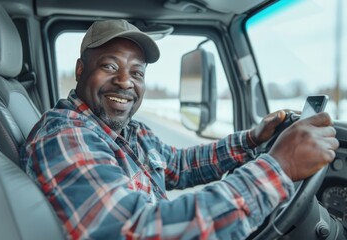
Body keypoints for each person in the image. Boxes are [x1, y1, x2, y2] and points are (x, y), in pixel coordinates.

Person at [20, 19, 339, 240]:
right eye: (110, 66)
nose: (125, 82)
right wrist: (278, 168)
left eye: (137, 72)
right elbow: (136, 231)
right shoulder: (66, 134)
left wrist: (253, 138)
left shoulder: (126, 130)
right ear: (80, 70)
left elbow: (179, 164)